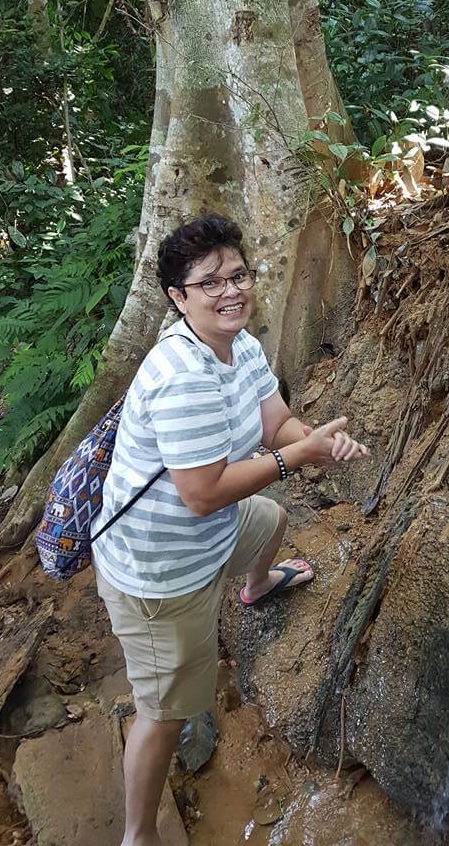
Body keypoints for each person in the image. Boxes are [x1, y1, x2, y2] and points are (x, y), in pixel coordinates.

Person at [91, 213, 368, 846]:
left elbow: (275, 423)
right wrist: (291, 460)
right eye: (210, 282)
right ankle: (139, 835)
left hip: (208, 537)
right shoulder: (184, 376)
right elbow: (202, 494)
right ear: (177, 297)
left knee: (269, 515)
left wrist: (313, 441)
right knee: (165, 713)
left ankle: (257, 583)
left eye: (238, 275)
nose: (230, 291)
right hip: (161, 571)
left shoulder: (239, 345)